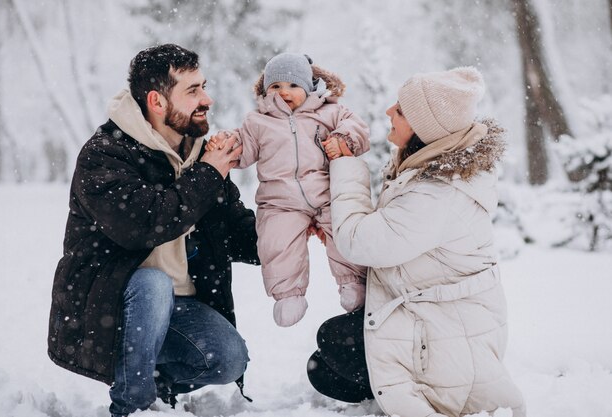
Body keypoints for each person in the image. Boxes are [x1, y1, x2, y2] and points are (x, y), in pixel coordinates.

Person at [47, 44, 260, 417]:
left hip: (181, 307)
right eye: (192, 91)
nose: (207, 99)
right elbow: (145, 225)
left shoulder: (199, 155)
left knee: (229, 359)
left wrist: (294, 226)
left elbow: (236, 232)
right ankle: (135, 406)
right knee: (153, 283)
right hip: (108, 309)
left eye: (203, 86)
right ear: (156, 102)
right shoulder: (106, 155)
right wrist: (209, 173)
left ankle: (154, 379)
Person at [308, 67, 526, 416]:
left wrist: (346, 166)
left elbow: (360, 242)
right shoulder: (430, 172)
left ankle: (420, 386)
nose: (388, 112)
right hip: (443, 318)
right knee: (329, 354)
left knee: (331, 349)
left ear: (425, 130)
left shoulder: (439, 192)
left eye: (401, 110)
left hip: (447, 336)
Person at [206, 53, 370, 327]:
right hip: (280, 200)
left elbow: (358, 128)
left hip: (327, 195)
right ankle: (288, 294)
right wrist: (226, 142)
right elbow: (243, 149)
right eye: (276, 86)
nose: (284, 92)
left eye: (293, 85)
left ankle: (353, 283)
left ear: (308, 87)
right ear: (266, 91)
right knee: (276, 242)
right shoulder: (258, 121)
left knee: (344, 232)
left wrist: (344, 139)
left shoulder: (329, 112)